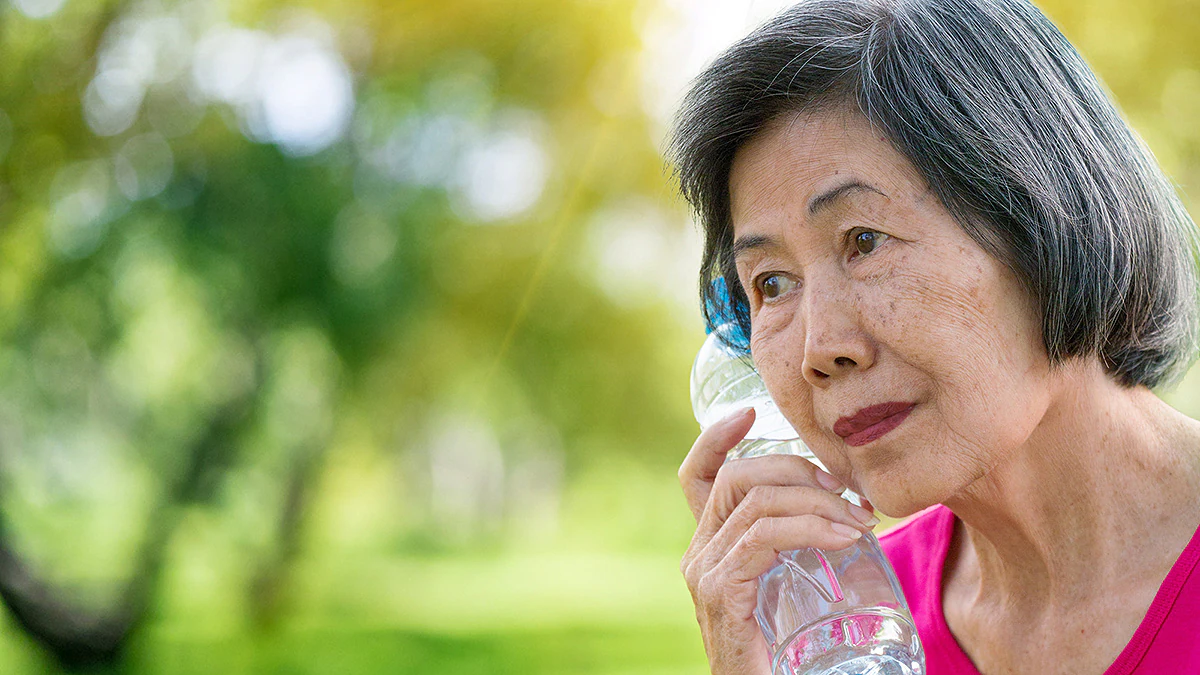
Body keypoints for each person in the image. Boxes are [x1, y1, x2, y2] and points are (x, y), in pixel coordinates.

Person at [668, 0, 1200, 673]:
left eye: (864, 240)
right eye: (771, 283)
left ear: (1045, 213)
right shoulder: (850, 636)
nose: (817, 349)